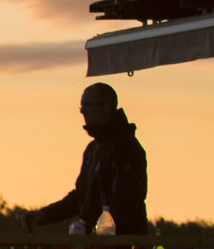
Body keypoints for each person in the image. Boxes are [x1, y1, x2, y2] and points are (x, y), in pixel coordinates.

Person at [25, 82, 149, 236]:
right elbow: (81, 197)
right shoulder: (93, 149)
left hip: (118, 245)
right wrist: (45, 215)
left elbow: (127, 202)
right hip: (92, 242)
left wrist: (94, 227)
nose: (83, 111)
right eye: (81, 107)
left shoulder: (126, 148)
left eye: (88, 105)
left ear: (107, 106)